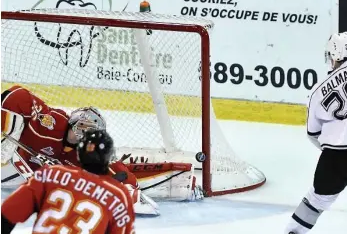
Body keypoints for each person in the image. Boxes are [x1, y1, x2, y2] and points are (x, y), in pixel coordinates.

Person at [1, 86, 203, 211]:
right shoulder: (52, 123)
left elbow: (121, 173)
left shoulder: (86, 156)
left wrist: (127, 188)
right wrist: (7, 126)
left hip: (17, 177)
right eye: (82, 128)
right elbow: (18, 95)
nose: (83, 135)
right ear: (73, 123)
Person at [272, 32, 347, 234]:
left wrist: (336, 153)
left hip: (337, 153)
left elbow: (314, 134)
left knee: (317, 199)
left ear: (332, 56)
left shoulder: (317, 92)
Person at [1, 130, 136, 234]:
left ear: (78, 153)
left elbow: (7, 212)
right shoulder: (117, 194)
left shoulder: (50, 174)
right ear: (108, 157)